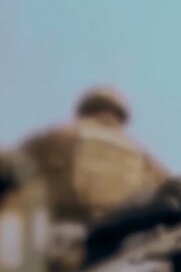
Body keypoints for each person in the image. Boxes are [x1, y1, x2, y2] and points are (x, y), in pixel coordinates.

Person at [18, 85, 170, 226]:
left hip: (53, 228)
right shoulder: (142, 157)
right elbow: (169, 193)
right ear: (121, 115)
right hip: (114, 235)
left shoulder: (54, 137)